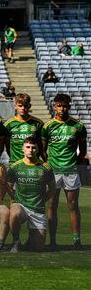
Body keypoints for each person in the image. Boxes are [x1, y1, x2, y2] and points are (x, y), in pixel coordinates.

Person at [41, 93, 87, 250]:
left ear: (69, 106)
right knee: (51, 205)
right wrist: (50, 165)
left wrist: (73, 164)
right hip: (53, 171)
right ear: (54, 106)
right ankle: (53, 240)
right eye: (59, 105)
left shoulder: (78, 126)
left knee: (73, 205)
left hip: (70, 171)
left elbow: (83, 151)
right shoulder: (47, 127)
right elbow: (43, 150)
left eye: (65, 105)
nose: (62, 108)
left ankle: (76, 239)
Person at [7, 137, 56, 253]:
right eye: (28, 147)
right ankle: (16, 241)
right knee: (14, 213)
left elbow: (53, 188)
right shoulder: (15, 167)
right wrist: (14, 200)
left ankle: (30, 241)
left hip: (37, 209)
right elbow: (8, 186)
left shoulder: (45, 167)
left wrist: (43, 200)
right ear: (23, 149)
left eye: (33, 147)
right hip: (21, 206)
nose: (31, 150)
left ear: (38, 149)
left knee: (37, 248)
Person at [4, 93, 44, 165]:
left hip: (33, 163)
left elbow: (41, 146)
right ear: (15, 106)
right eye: (20, 106)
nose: (23, 108)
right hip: (15, 163)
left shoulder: (38, 123)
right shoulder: (8, 124)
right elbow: (7, 146)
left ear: (29, 106)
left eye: (25, 106)